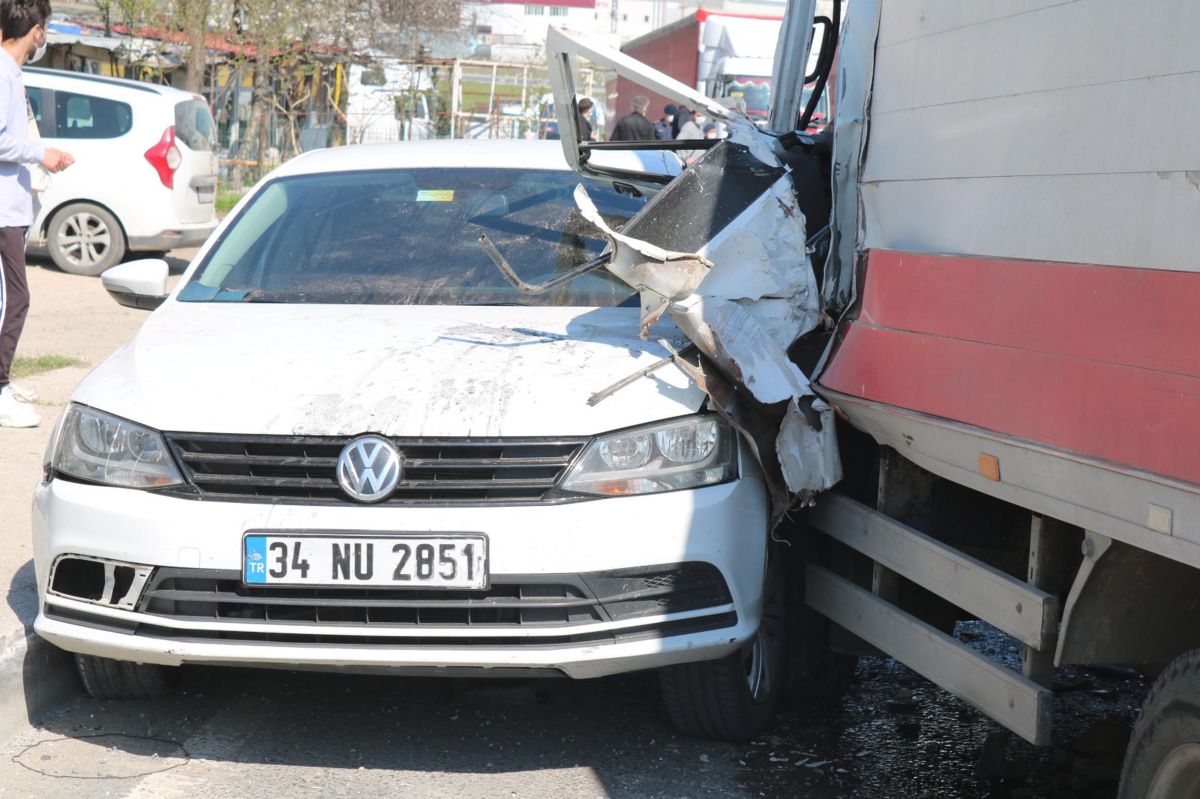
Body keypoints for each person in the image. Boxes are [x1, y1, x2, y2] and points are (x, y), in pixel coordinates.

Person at [0, 0, 73, 428]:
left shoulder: (12, 73)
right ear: (36, 30)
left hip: (12, 205)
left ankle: (3, 385)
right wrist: (42, 154)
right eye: (45, 26)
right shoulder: (3, 75)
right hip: (3, 209)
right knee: (15, 299)